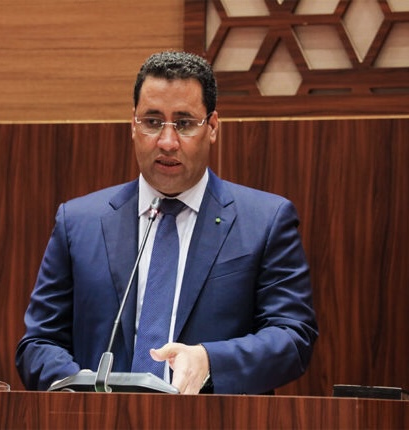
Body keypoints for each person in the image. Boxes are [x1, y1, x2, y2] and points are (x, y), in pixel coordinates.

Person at [16, 51, 318, 395]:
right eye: (152, 121)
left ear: (213, 127)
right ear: (133, 125)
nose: (167, 142)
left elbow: (293, 337)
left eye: (185, 123)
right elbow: (38, 343)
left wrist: (210, 361)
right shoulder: (78, 222)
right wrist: (80, 388)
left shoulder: (265, 221)